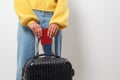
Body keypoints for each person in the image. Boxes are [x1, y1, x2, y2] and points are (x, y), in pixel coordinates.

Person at [14, 0, 69, 80]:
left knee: (54, 65)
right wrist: (29, 20)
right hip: (30, 14)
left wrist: (57, 21)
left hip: (52, 18)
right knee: (24, 65)